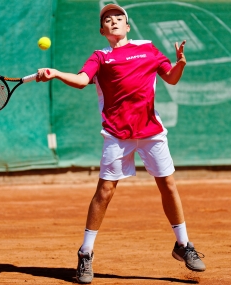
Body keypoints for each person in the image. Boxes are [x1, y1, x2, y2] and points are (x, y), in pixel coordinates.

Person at [36, 4, 206, 284]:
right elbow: (81, 81)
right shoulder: (100, 57)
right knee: (104, 191)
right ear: (103, 30)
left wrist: (181, 64)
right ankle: (86, 252)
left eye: (118, 18)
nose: (113, 21)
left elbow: (171, 79)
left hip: (151, 131)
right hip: (117, 134)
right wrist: (56, 73)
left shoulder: (149, 49)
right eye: (107, 20)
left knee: (168, 185)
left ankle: (183, 245)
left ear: (128, 26)